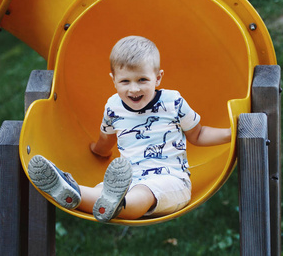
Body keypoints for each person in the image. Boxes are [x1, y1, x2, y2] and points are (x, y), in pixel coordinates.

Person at [28, 36, 231, 223]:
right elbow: (105, 142)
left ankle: (104, 200)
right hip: (128, 179)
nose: (134, 89)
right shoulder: (113, 107)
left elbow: (198, 134)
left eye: (142, 80)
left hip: (171, 180)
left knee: (139, 194)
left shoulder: (173, 102)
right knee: (102, 192)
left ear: (158, 78)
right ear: (113, 80)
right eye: (125, 81)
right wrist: (96, 150)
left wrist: (231, 134)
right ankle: (70, 189)